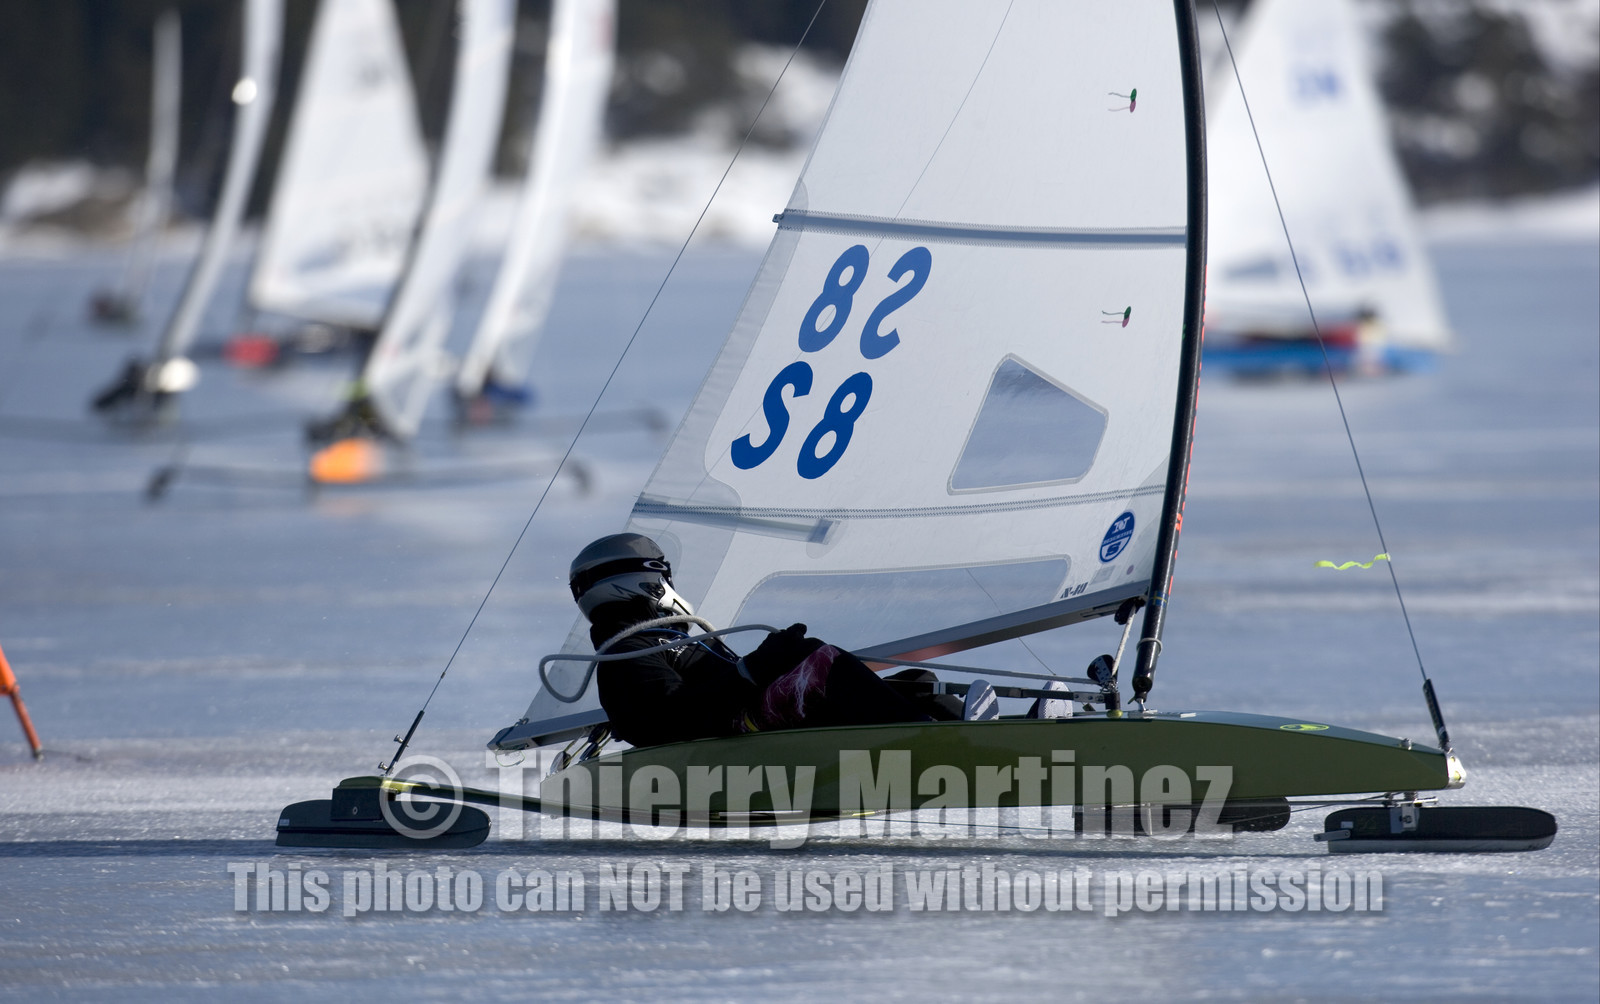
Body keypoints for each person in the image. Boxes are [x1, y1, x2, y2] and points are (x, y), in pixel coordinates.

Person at [569, 533, 969, 749]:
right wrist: (755, 668)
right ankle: (927, 741)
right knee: (819, 662)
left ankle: (965, 731)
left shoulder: (671, 640)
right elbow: (664, 721)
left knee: (916, 682)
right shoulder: (627, 652)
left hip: (749, 725)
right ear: (642, 581)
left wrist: (768, 664)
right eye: (663, 577)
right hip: (730, 739)